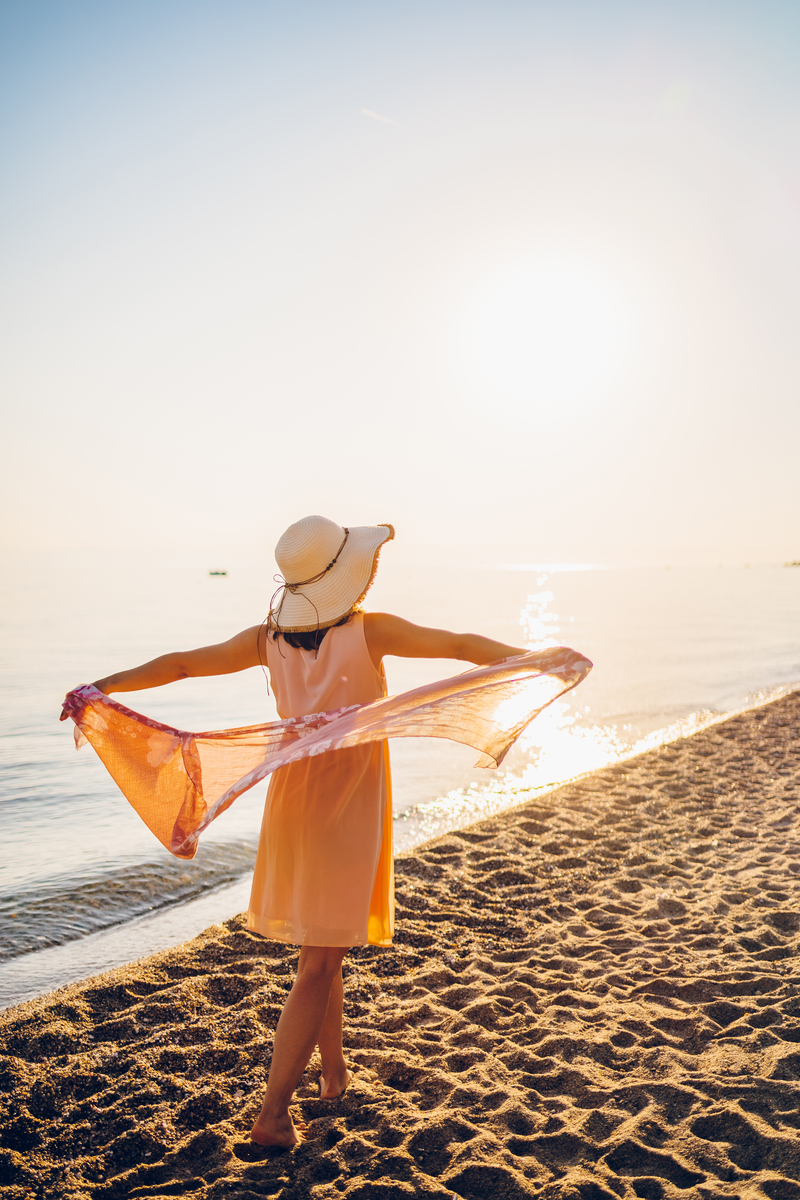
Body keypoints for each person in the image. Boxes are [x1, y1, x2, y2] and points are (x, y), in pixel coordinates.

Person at [76, 515, 537, 1148]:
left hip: (294, 795)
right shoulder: (370, 631)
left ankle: (335, 1074)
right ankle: (271, 1117)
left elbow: (183, 665)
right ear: (350, 576)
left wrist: (105, 686)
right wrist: (534, 661)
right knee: (318, 962)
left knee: (325, 943)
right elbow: (459, 644)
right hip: (346, 797)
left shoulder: (266, 639)